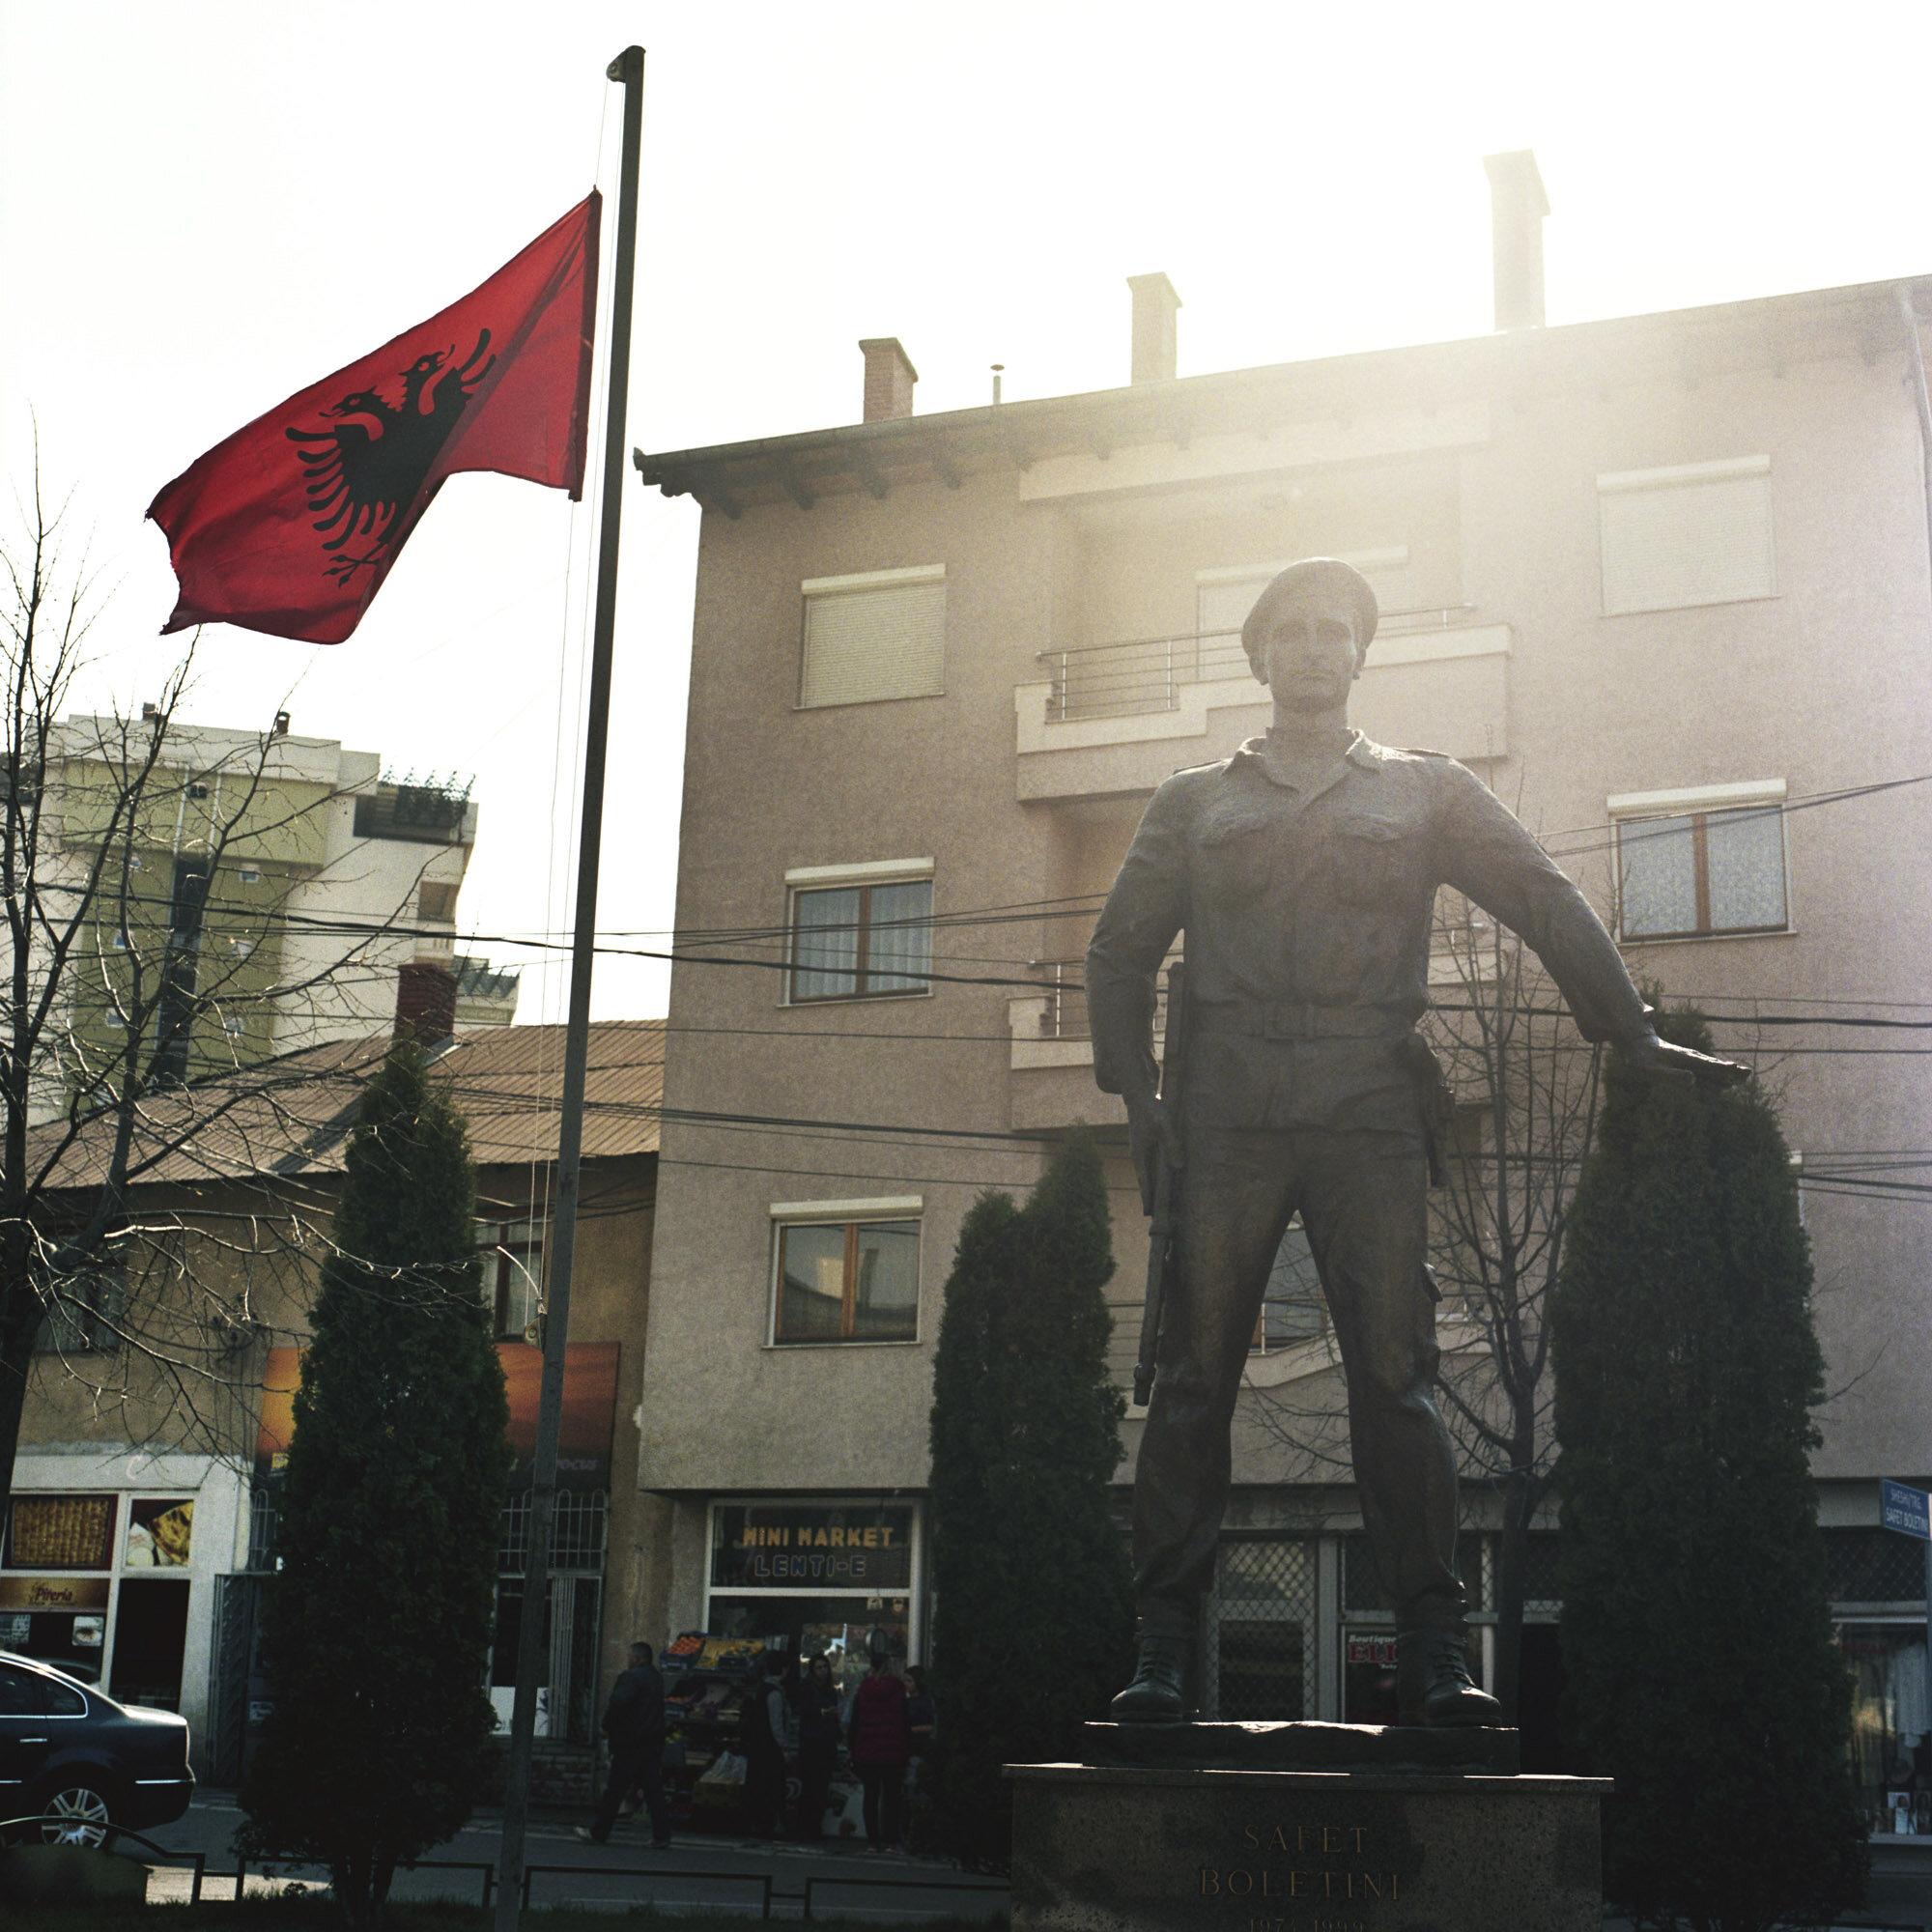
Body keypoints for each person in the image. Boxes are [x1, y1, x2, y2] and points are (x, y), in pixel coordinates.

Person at [1087, 557, 1745, 1728]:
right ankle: (1162, 1653)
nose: (1310, 645)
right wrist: (1139, 1103)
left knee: (1397, 1382)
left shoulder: (1424, 791)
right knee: (1192, 1385)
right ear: (1259, 654)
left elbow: (1538, 894)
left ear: (1358, 653)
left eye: (1332, 628)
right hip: (1224, 1112)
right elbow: (1116, 953)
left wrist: (1626, 1029)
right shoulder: (1192, 801)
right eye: (1287, 629)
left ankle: (1435, 1654)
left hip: (1367, 1103)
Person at [576, 1640, 672, 1847]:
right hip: (652, 1742)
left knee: (615, 1790)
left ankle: (599, 1833)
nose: (628, 1660)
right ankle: (662, 1835)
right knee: (653, 1790)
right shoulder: (656, 1678)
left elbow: (618, 1704)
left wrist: (606, 1727)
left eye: (629, 1656)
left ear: (636, 1658)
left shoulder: (630, 1678)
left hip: (630, 1743)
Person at [848, 1634, 909, 1852]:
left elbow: (854, 1722)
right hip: (892, 1752)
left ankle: (872, 1840)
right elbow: (905, 1721)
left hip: (866, 1750)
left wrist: (852, 1749)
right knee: (891, 1798)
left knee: (871, 1797)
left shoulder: (863, 1690)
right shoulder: (898, 1690)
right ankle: (890, 1840)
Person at [739, 1649, 790, 1838]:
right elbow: (776, 1724)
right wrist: (784, 1747)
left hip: (758, 1747)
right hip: (770, 1749)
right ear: (784, 1670)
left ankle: (757, 1823)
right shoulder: (775, 1693)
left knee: (758, 1786)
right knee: (771, 1788)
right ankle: (767, 1824)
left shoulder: (761, 1690)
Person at [794, 1651, 842, 1842]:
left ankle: (813, 1827)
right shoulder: (807, 1688)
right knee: (811, 1787)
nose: (823, 1671)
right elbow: (805, 1711)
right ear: (812, 1670)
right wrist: (824, 1712)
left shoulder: (830, 1690)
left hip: (824, 1743)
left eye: (825, 1667)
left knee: (820, 1788)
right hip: (812, 1742)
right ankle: (806, 1827)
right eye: (819, 1668)